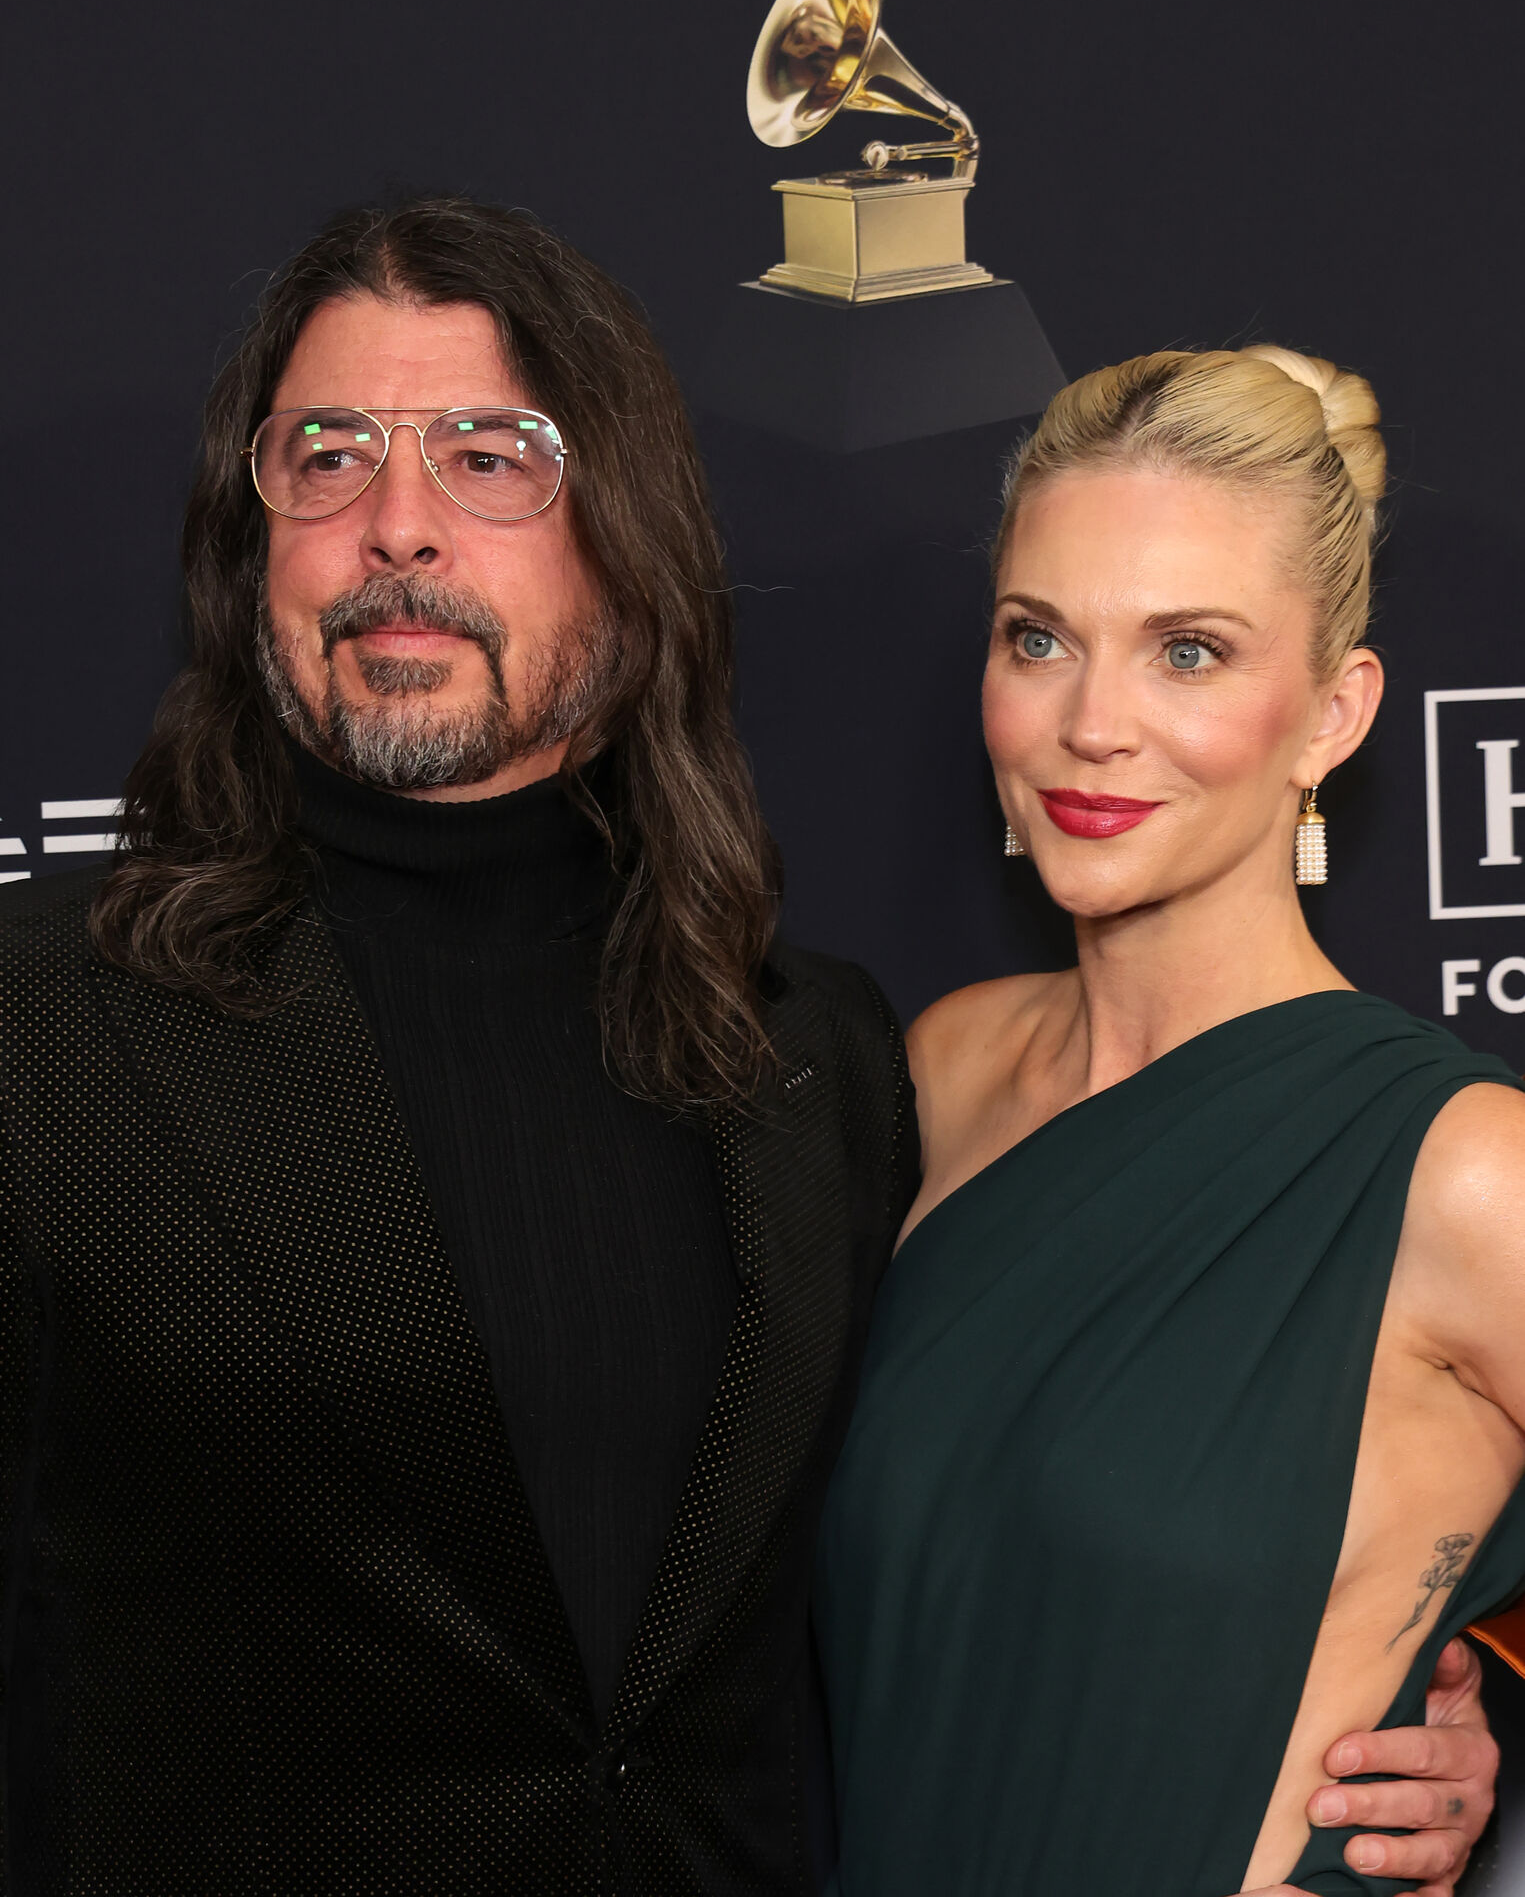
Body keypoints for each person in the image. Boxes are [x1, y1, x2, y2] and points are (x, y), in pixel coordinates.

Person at [0, 200, 1495, 1894]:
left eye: (489, 459)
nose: (396, 524)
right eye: (326, 456)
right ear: (245, 530)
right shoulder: (41, 1032)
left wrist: (1423, 1731)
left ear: (624, 531)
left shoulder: (812, 1058)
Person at [813, 344, 1525, 1896]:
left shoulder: (1464, 1169)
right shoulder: (944, 1070)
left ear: (1331, 715)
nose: (1091, 723)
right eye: (1038, 639)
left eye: (1187, 652)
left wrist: (1478, 1724)